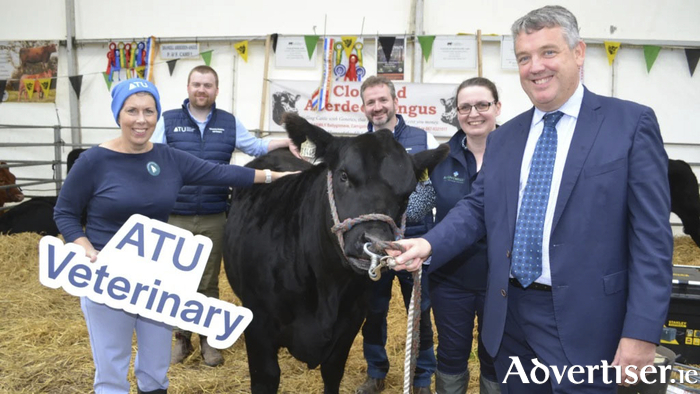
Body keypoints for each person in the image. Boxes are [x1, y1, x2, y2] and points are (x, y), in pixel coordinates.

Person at [390, 6, 673, 393]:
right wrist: (427, 243)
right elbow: (476, 207)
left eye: (548, 52)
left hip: (590, 324)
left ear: (578, 53)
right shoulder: (506, 138)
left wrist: (642, 331)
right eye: (524, 57)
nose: (535, 66)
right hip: (511, 321)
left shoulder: (629, 124)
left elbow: (652, 240)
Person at [54, 78, 293, 394]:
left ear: (157, 116)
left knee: (155, 367)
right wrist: (83, 246)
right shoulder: (94, 161)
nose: (141, 120)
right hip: (107, 277)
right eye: (132, 111)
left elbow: (220, 173)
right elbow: (64, 212)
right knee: (112, 367)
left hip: (157, 276)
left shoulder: (168, 158)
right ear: (118, 114)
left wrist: (275, 176)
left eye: (149, 111)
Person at [150, 65, 299, 367]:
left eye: (207, 85)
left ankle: (208, 340)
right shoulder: (168, 121)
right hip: (175, 214)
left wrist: (286, 142)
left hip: (214, 214)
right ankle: (182, 339)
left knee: (207, 282)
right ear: (188, 87)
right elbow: (152, 155)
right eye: (196, 84)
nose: (201, 90)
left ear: (216, 90)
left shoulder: (228, 123)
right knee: (176, 280)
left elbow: (254, 146)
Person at [356, 75, 437, 394]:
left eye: (382, 100)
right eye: (370, 102)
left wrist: (402, 228)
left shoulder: (422, 139)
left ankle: (421, 378)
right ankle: (376, 371)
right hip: (373, 247)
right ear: (363, 107)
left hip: (412, 244)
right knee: (372, 312)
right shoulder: (357, 148)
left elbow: (431, 192)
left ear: (395, 101)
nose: (377, 107)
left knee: (420, 313)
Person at [429, 77, 501, 394]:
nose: (474, 113)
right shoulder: (439, 158)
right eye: (465, 106)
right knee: (450, 353)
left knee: (497, 356)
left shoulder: (519, 155)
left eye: (482, 104)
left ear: (497, 107)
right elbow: (418, 207)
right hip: (450, 279)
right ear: (456, 112)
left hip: (501, 281)